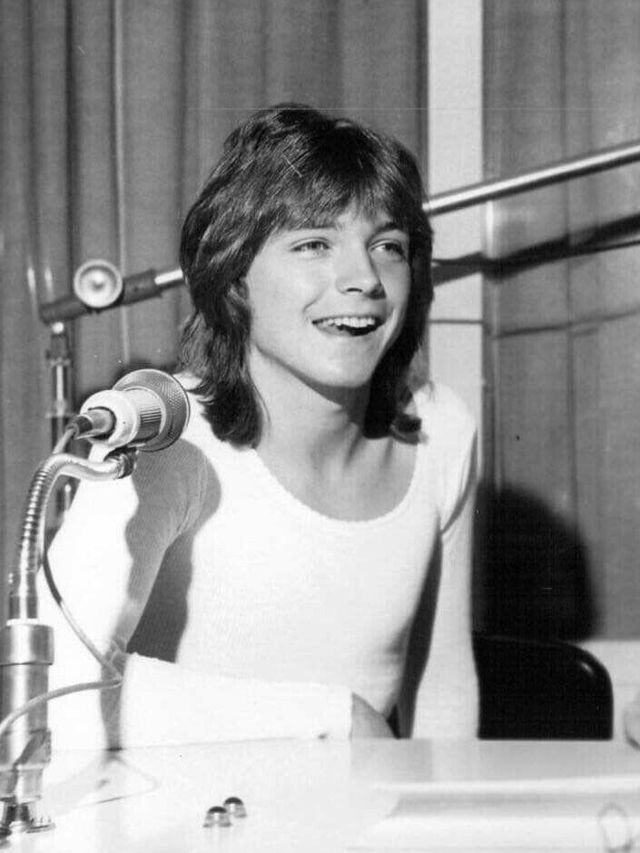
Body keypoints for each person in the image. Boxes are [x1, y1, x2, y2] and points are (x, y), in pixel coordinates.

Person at [44, 103, 479, 749]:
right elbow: (53, 689)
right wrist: (329, 718)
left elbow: (441, 686)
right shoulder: (165, 437)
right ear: (235, 277)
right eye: (314, 244)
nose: (364, 279)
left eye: (387, 246)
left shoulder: (443, 428)